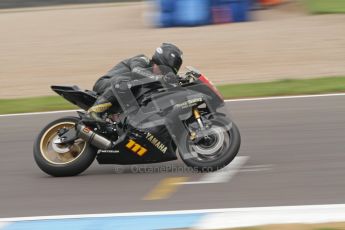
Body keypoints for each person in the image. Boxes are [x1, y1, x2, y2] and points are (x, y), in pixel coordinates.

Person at [87, 43, 183, 124]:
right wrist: (161, 78)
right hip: (106, 84)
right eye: (163, 69)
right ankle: (94, 111)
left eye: (166, 72)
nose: (163, 73)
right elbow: (137, 71)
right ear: (158, 61)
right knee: (131, 80)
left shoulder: (155, 78)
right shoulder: (142, 59)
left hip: (123, 97)